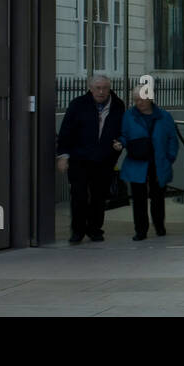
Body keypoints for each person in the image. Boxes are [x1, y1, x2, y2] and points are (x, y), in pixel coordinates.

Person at [56, 73, 125, 243]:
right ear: (90, 88)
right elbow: (66, 132)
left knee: (98, 197)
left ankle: (95, 229)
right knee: (79, 196)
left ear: (110, 89)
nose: (101, 92)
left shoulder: (118, 105)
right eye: (97, 88)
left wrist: (119, 146)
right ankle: (77, 231)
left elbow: (122, 131)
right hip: (79, 159)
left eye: (105, 88)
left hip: (104, 160)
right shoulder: (78, 104)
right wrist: (63, 156)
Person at [114, 87, 181, 241]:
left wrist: (169, 158)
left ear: (150, 98)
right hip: (138, 162)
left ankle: (159, 226)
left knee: (158, 197)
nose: (139, 103)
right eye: (135, 100)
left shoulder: (164, 116)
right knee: (139, 198)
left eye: (142, 99)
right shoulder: (129, 115)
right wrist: (120, 143)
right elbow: (124, 135)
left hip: (158, 162)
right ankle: (141, 230)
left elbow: (172, 139)